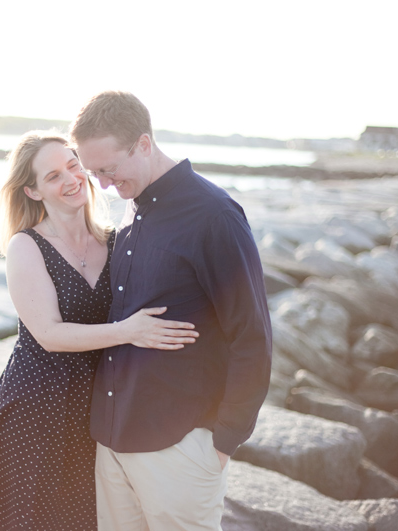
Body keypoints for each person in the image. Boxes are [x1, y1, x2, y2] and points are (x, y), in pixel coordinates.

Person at [0, 131, 198, 531]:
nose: (70, 179)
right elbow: (49, 334)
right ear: (33, 192)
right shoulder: (26, 246)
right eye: (53, 176)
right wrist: (128, 332)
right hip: (36, 408)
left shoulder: (117, 239)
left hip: (99, 411)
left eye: (73, 166)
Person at [70, 91, 273, 530]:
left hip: (179, 447)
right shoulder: (131, 210)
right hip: (112, 439)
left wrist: (222, 443)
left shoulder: (214, 216)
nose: (102, 184)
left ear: (143, 144)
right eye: (93, 173)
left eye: (108, 169)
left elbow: (252, 335)